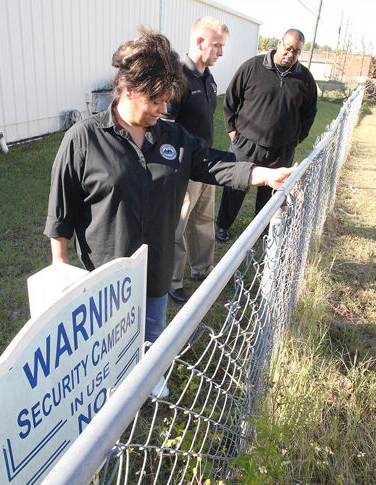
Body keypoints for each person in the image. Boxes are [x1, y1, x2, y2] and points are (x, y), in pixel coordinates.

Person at [44, 29, 296, 397]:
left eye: (167, 101)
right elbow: (61, 208)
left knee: (152, 329)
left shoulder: (172, 138)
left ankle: (151, 372)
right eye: (156, 101)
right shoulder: (84, 139)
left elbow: (213, 164)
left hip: (157, 263)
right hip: (106, 272)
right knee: (107, 344)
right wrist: (61, 265)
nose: (164, 110)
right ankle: (111, 389)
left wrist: (264, 174)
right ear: (128, 90)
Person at [216, 29, 317, 243]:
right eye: (288, 48)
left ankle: (262, 232)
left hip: (281, 149)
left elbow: (309, 113)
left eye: (296, 52)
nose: (290, 54)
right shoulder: (252, 67)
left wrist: (297, 138)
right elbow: (231, 99)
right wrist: (232, 131)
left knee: (271, 193)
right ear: (280, 43)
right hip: (246, 144)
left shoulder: (305, 79)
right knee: (235, 187)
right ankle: (223, 226)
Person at [163, 17, 229, 304]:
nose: (221, 52)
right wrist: (174, 166)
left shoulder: (207, 77)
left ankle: (203, 271)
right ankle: (172, 281)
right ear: (200, 41)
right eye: (217, 45)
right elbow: (165, 127)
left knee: (203, 222)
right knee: (177, 226)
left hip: (206, 166)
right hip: (182, 168)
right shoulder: (178, 79)